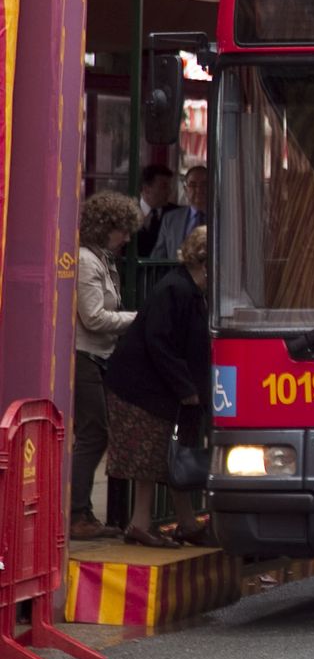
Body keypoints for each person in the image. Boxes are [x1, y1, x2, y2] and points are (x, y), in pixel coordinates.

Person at [104, 226, 213, 548]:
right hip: (143, 388)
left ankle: (185, 521)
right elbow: (159, 342)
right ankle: (141, 524)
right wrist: (186, 388)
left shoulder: (189, 291)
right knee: (152, 456)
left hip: (158, 387)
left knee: (170, 457)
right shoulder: (176, 290)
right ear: (206, 261)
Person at [70, 192, 143, 540]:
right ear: (105, 228)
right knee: (93, 433)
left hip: (98, 357)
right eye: (122, 230)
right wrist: (138, 319)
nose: (127, 238)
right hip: (84, 355)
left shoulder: (101, 260)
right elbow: (93, 318)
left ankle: (80, 510)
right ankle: (75, 512)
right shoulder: (87, 261)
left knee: (94, 433)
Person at [151, 165, 207, 260]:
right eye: (193, 185)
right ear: (185, 189)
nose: (198, 190)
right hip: (176, 273)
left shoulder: (223, 218)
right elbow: (157, 258)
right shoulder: (170, 219)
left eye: (204, 185)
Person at [136, 163, 176, 257]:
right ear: (146, 189)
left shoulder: (176, 214)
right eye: (164, 187)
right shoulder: (128, 212)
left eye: (170, 187)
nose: (169, 191)